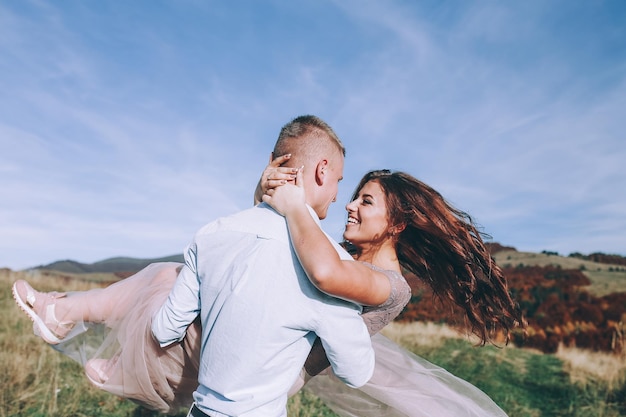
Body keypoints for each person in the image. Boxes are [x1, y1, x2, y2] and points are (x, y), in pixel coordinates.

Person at [13, 127, 524, 416]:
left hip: (263, 375)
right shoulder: (335, 254)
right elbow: (258, 260)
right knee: (174, 278)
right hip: (250, 353)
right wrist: (265, 200)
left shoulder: (388, 285)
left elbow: (321, 275)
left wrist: (294, 203)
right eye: (350, 194)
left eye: (365, 201)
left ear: (399, 222)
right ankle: (89, 335)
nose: (349, 206)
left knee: (168, 282)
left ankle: (115, 360)